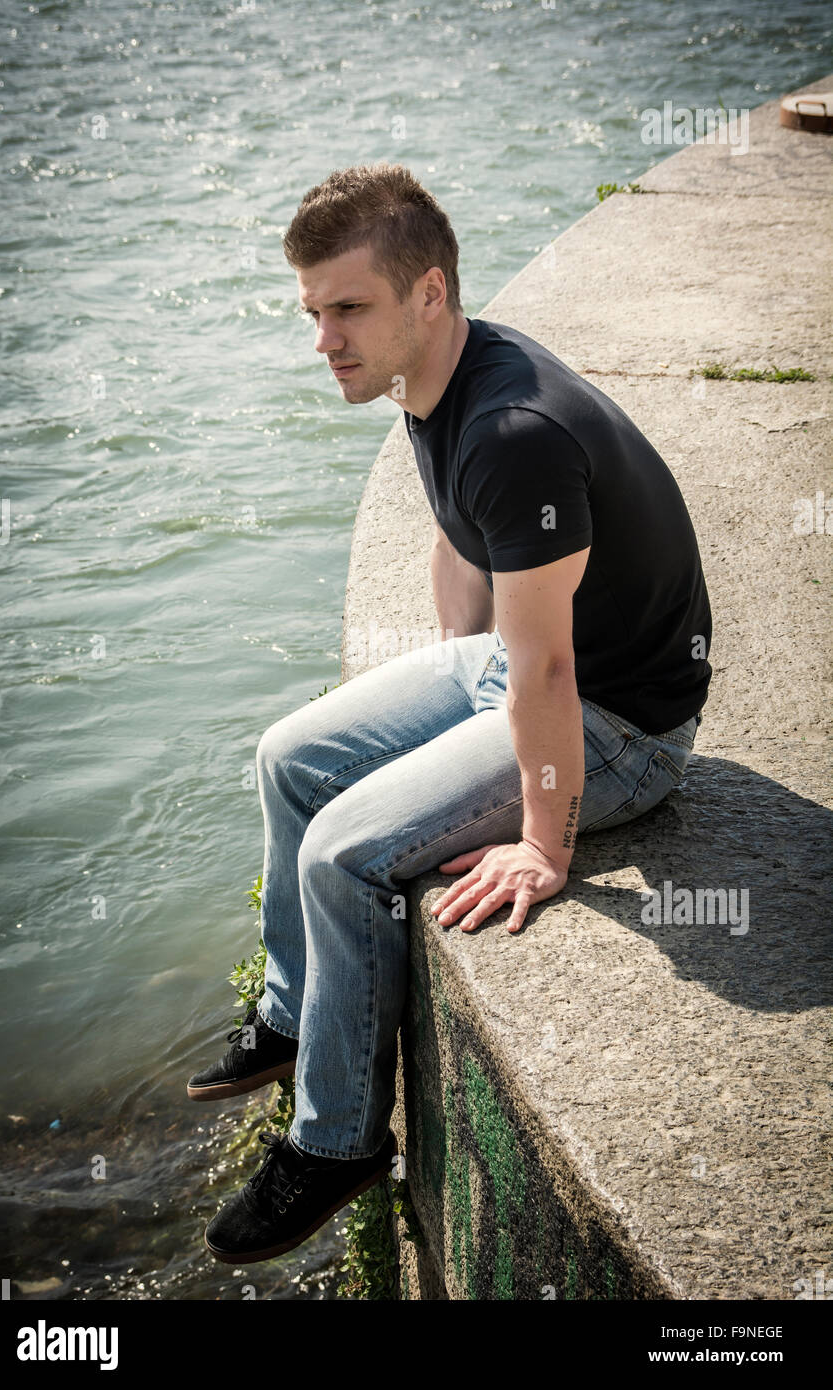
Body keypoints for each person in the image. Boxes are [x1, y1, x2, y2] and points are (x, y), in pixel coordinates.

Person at [188, 163, 712, 1265]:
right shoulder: (433, 381)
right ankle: (292, 1019)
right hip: (519, 667)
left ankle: (334, 1143)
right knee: (287, 755)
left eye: (347, 308)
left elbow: (549, 677)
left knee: (341, 854)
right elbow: (458, 548)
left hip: (618, 725)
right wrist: (435, 702)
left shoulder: (511, 429)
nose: (322, 337)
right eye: (312, 311)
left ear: (427, 294)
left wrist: (540, 842)